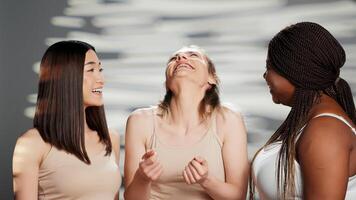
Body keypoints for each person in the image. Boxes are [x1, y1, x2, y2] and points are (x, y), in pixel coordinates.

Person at [124, 45, 249, 200]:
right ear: (166, 83)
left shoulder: (228, 119)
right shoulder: (140, 121)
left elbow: (239, 196)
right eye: (173, 58)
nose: (181, 58)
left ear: (211, 78)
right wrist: (142, 178)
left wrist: (206, 180)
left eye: (193, 55)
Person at [251, 22, 356, 199]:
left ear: (295, 71)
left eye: (269, 67)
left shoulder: (325, 131)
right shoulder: (314, 123)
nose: (265, 76)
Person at [12, 40, 121, 200]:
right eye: (91, 69)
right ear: (65, 77)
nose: (101, 79)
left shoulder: (111, 139)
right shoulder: (33, 143)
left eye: (100, 69)